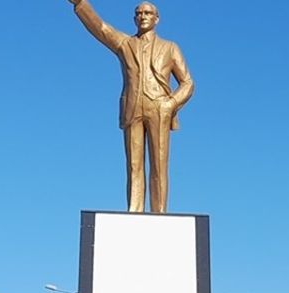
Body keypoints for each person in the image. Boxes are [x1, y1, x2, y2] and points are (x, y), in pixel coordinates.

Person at [68, 0, 195, 214]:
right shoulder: (125, 44)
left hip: (159, 108)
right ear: (134, 18)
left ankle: (159, 212)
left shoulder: (170, 48)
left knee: (159, 166)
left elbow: (188, 83)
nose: (143, 16)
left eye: (148, 13)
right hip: (133, 108)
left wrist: (171, 103)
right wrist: (80, 3)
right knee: (134, 167)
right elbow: (101, 28)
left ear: (157, 18)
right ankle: (134, 212)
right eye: (139, 13)